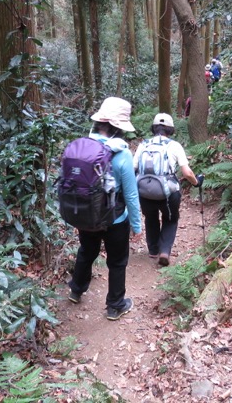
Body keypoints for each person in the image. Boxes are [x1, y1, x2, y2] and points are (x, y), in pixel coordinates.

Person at [68, 97, 143, 320]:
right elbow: (130, 193)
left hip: (85, 214)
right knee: (117, 261)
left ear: (98, 123)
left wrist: (70, 218)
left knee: (86, 252)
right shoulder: (123, 154)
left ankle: (76, 289)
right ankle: (115, 305)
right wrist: (137, 225)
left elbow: (69, 185)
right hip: (115, 219)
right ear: (119, 128)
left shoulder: (81, 148)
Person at [133, 113, 204, 267]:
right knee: (170, 219)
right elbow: (187, 173)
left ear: (154, 128)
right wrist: (196, 182)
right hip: (167, 194)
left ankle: (153, 250)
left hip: (144, 192)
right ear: (171, 129)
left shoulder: (143, 144)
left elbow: (133, 168)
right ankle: (164, 251)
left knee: (150, 218)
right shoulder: (174, 146)